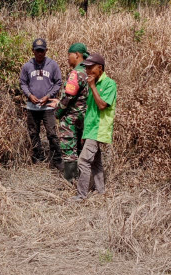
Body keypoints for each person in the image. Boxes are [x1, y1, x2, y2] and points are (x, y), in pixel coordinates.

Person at [75, 52, 117, 200]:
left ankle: (81, 196)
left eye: (90, 68)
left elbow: (101, 106)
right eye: (86, 69)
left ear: (100, 68)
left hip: (99, 130)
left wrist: (92, 86)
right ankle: (101, 192)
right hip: (91, 130)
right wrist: (85, 134)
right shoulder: (94, 83)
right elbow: (90, 112)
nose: (87, 72)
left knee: (83, 161)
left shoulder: (109, 84)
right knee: (96, 162)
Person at [48, 43, 89, 182]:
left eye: (69, 55)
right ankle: (83, 180)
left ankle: (70, 181)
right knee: (80, 147)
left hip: (71, 118)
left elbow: (68, 96)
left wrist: (58, 111)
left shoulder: (76, 73)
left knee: (69, 148)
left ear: (77, 55)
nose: (67, 59)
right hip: (85, 117)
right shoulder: (89, 71)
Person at [19, 38, 63, 169]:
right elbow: (23, 83)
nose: (39, 53)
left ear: (46, 51)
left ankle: (56, 159)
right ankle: (37, 157)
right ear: (33, 51)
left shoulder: (52, 65)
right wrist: (29, 95)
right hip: (32, 106)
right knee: (33, 132)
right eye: (37, 51)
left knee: (52, 133)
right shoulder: (27, 66)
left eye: (42, 51)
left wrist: (48, 96)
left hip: (47, 106)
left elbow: (58, 83)